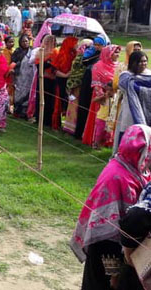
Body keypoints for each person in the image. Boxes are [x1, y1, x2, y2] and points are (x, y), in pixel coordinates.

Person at [70, 124, 151, 290]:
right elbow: (105, 236)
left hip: (125, 251)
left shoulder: (134, 170)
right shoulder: (116, 178)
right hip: (106, 257)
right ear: (141, 151)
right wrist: (113, 273)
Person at [82, 45, 121, 146]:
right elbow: (96, 84)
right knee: (100, 120)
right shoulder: (98, 66)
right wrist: (104, 95)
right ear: (108, 54)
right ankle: (95, 141)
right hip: (101, 96)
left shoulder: (118, 66)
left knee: (112, 118)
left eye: (118, 52)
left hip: (114, 96)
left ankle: (108, 141)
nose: (118, 55)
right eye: (115, 52)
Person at [113, 51, 151, 150]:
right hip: (130, 110)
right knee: (129, 133)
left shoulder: (149, 75)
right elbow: (129, 87)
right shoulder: (126, 76)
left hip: (147, 110)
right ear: (133, 62)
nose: (143, 64)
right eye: (140, 62)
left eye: (145, 61)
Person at [64, 39, 94, 135]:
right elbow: (77, 71)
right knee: (75, 106)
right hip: (77, 85)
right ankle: (71, 127)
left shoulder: (83, 57)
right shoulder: (81, 58)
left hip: (78, 85)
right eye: (88, 47)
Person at [11, 34, 34, 118]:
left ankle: (25, 113)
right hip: (19, 77)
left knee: (28, 94)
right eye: (23, 41)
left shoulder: (32, 51)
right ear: (20, 43)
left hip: (29, 77)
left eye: (26, 41)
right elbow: (12, 63)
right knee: (18, 94)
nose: (25, 43)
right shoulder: (17, 52)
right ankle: (17, 112)